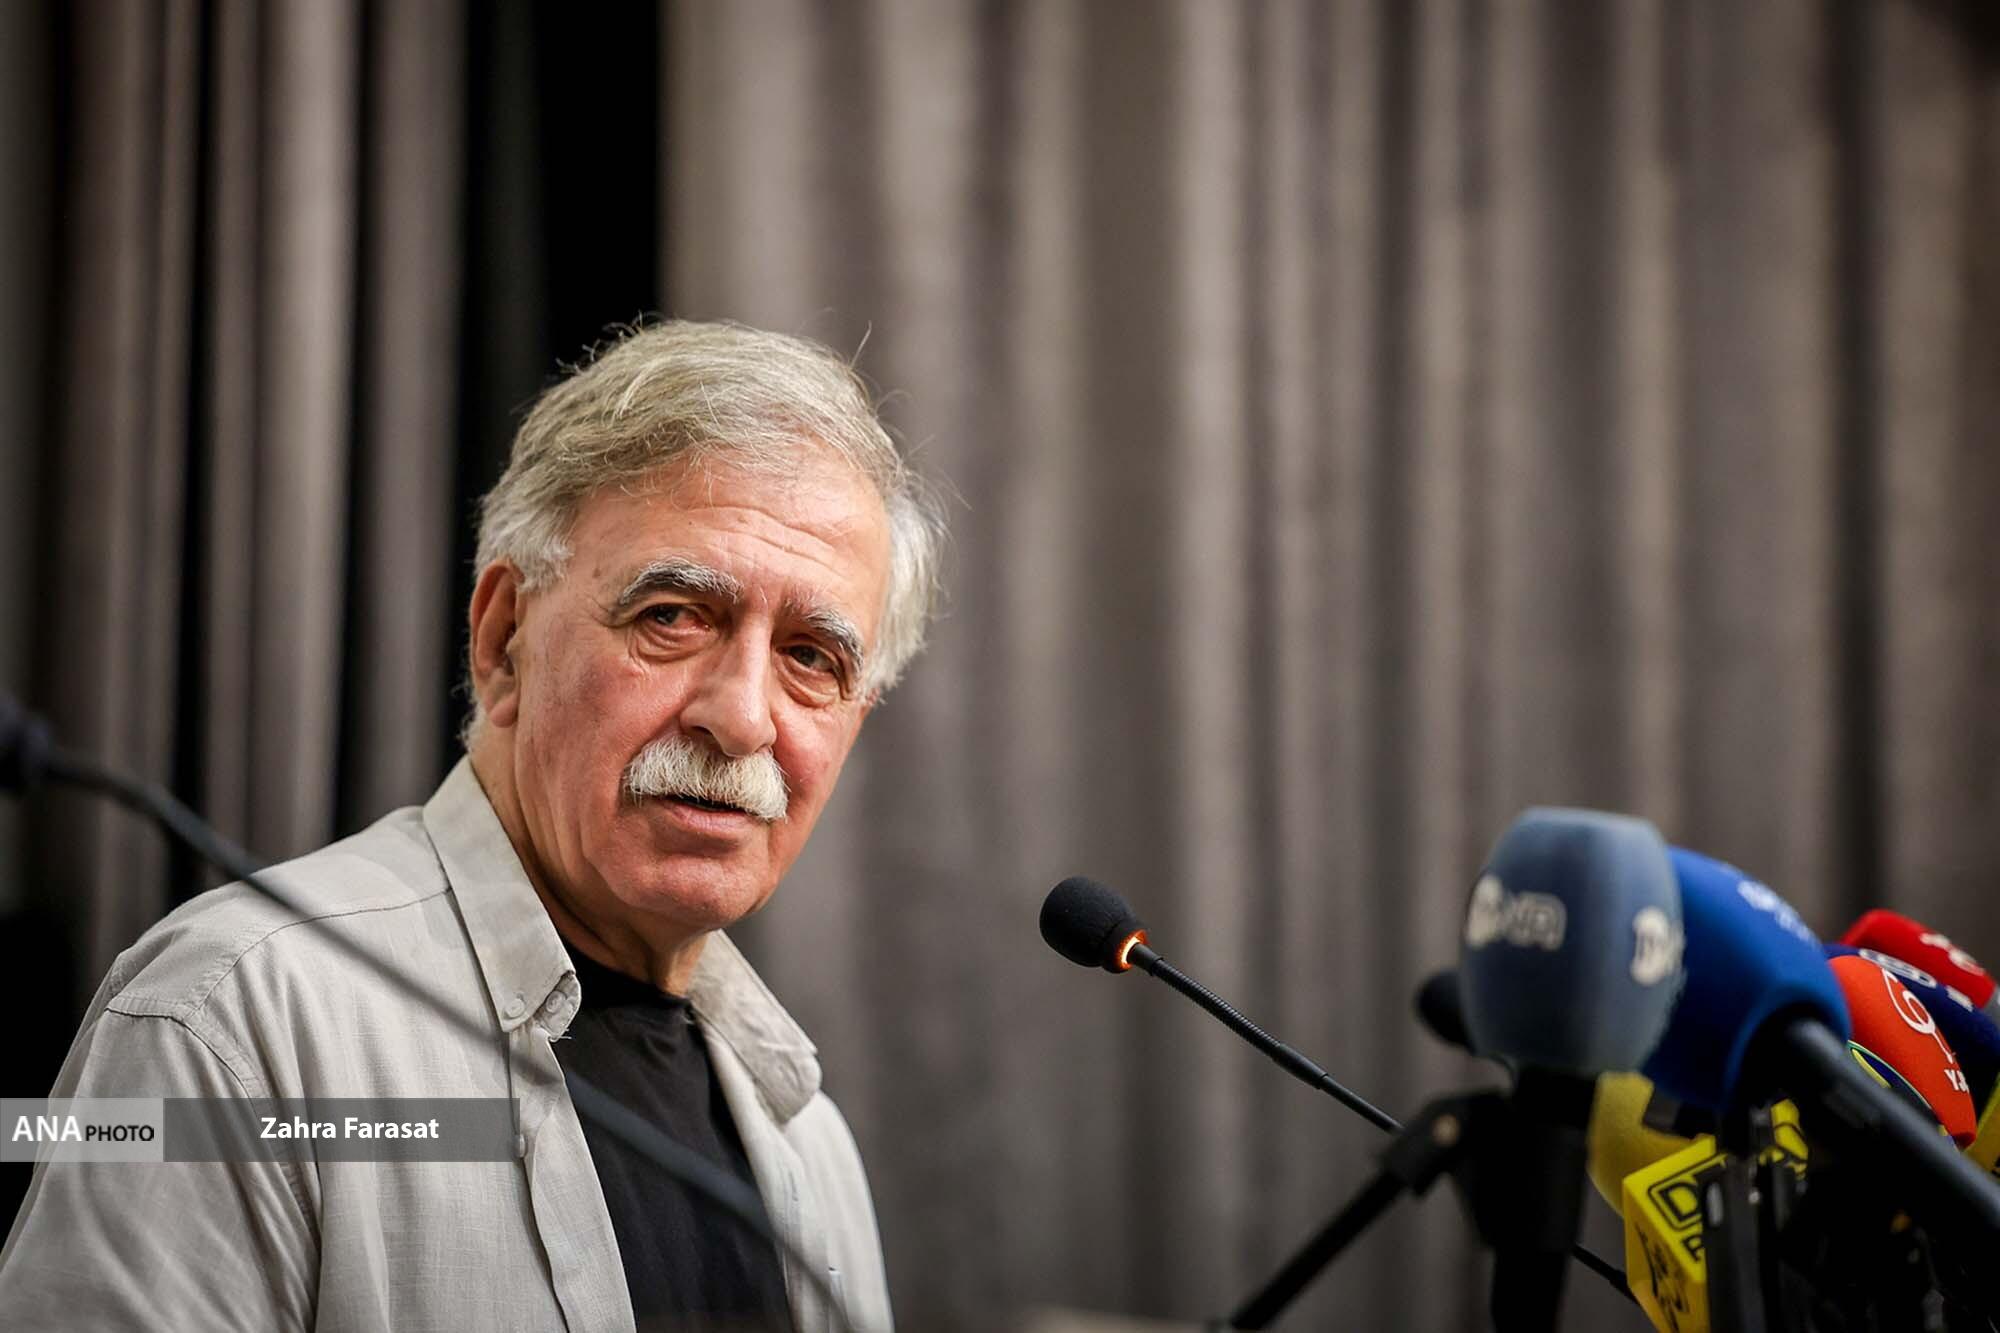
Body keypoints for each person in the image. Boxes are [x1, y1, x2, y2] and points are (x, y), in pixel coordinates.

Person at [0, 320, 944, 1332]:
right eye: (671, 615)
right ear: (502, 640)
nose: (744, 717)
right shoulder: (228, 1014)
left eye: (811, 658)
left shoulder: (812, 1146)